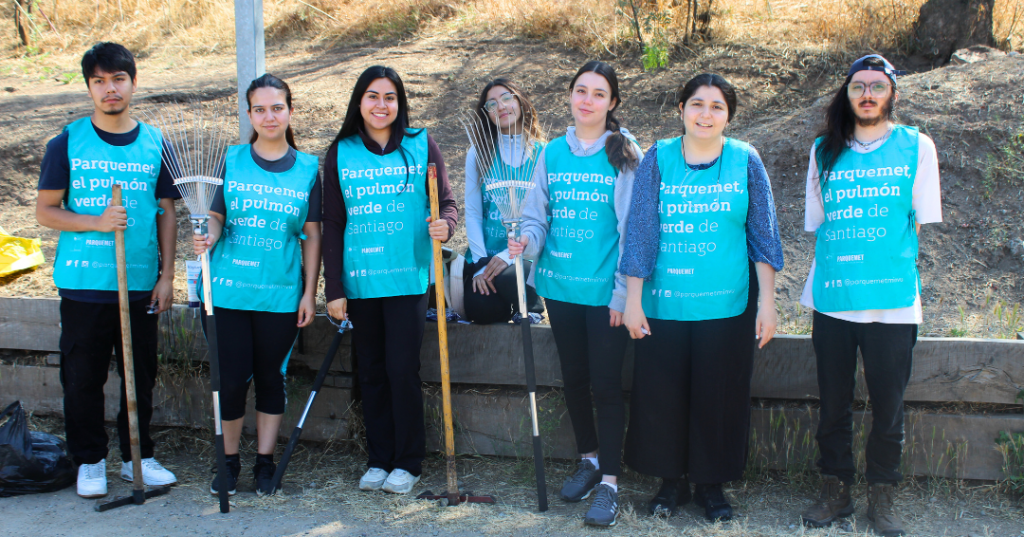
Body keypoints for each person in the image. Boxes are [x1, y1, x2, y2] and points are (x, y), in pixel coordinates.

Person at [620, 73, 783, 522]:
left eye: (716, 107)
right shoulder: (658, 158)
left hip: (727, 303)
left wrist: (768, 303)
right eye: (696, 104)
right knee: (662, 392)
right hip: (665, 301)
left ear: (729, 115)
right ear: (681, 109)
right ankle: (670, 482)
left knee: (719, 392)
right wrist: (633, 299)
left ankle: (711, 485)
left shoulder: (746, 160)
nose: (705, 114)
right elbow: (641, 232)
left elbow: (763, 235)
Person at [798, 54, 940, 537]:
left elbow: (918, 219)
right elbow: (818, 222)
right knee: (833, 403)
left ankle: (883, 497)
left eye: (877, 86)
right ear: (847, 92)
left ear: (891, 93)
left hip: (893, 302)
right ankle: (835, 491)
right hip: (834, 298)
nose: (867, 94)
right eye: (858, 86)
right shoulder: (824, 151)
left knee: (888, 407)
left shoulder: (917, 146)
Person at [35, 42, 178, 498]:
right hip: (84, 283)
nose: (109, 89)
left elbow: (166, 212)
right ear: (89, 87)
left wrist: (167, 276)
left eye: (118, 79)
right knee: (83, 378)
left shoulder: (155, 143)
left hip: (139, 283)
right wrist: (95, 222)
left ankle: (139, 456)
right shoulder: (66, 143)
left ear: (133, 83)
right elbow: (45, 211)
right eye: (99, 81)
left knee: (141, 375)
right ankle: (90, 460)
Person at [508, 60, 642, 527]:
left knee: (606, 385)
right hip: (560, 288)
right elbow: (537, 217)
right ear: (570, 95)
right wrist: (526, 242)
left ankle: (610, 484)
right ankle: (589, 459)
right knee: (574, 379)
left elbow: (632, 231)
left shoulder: (624, 153)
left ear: (612, 102)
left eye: (598, 93)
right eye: (581, 90)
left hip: (605, 294)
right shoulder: (551, 152)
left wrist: (623, 294)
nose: (587, 100)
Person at [322, 65, 458, 495]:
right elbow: (332, 223)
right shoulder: (341, 151)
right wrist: (333, 288)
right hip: (361, 280)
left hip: (407, 278)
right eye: (373, 96)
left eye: (390, 97)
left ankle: (408, 461)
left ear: (400, 103)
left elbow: (447, 203)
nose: (381, 105)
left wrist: (446, 225)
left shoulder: (421, 144)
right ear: (359, 102)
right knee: (372, 372)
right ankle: (379, 459)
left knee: (402, 369)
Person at [192, 74, 322, 496]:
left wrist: (309, 292)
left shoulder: (308, 168)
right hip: (227, 292)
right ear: (249, 114)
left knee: (270, 379)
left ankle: (265, 464)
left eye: (277, 108)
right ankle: (228, 462)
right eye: (260, 109)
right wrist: (208, 235)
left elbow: (312, 235)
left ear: (290, 111)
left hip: (279, 295)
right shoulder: (230, 159)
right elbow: (216, 216)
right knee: (231, 381)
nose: (270, 116)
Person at [461, 78, 545, 324]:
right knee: (480, 308)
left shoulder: (543, 153)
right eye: (492, 104)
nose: (501, 107)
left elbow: (546, 217)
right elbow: (473, 213)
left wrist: (508, 257)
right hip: (487, 256)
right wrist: (480, 265)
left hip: (525, 256)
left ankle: (532, 308)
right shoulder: (478, 153)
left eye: (507, 98)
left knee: (512, 278)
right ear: (486, 113)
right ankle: (507, 306)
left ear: (521, 101)